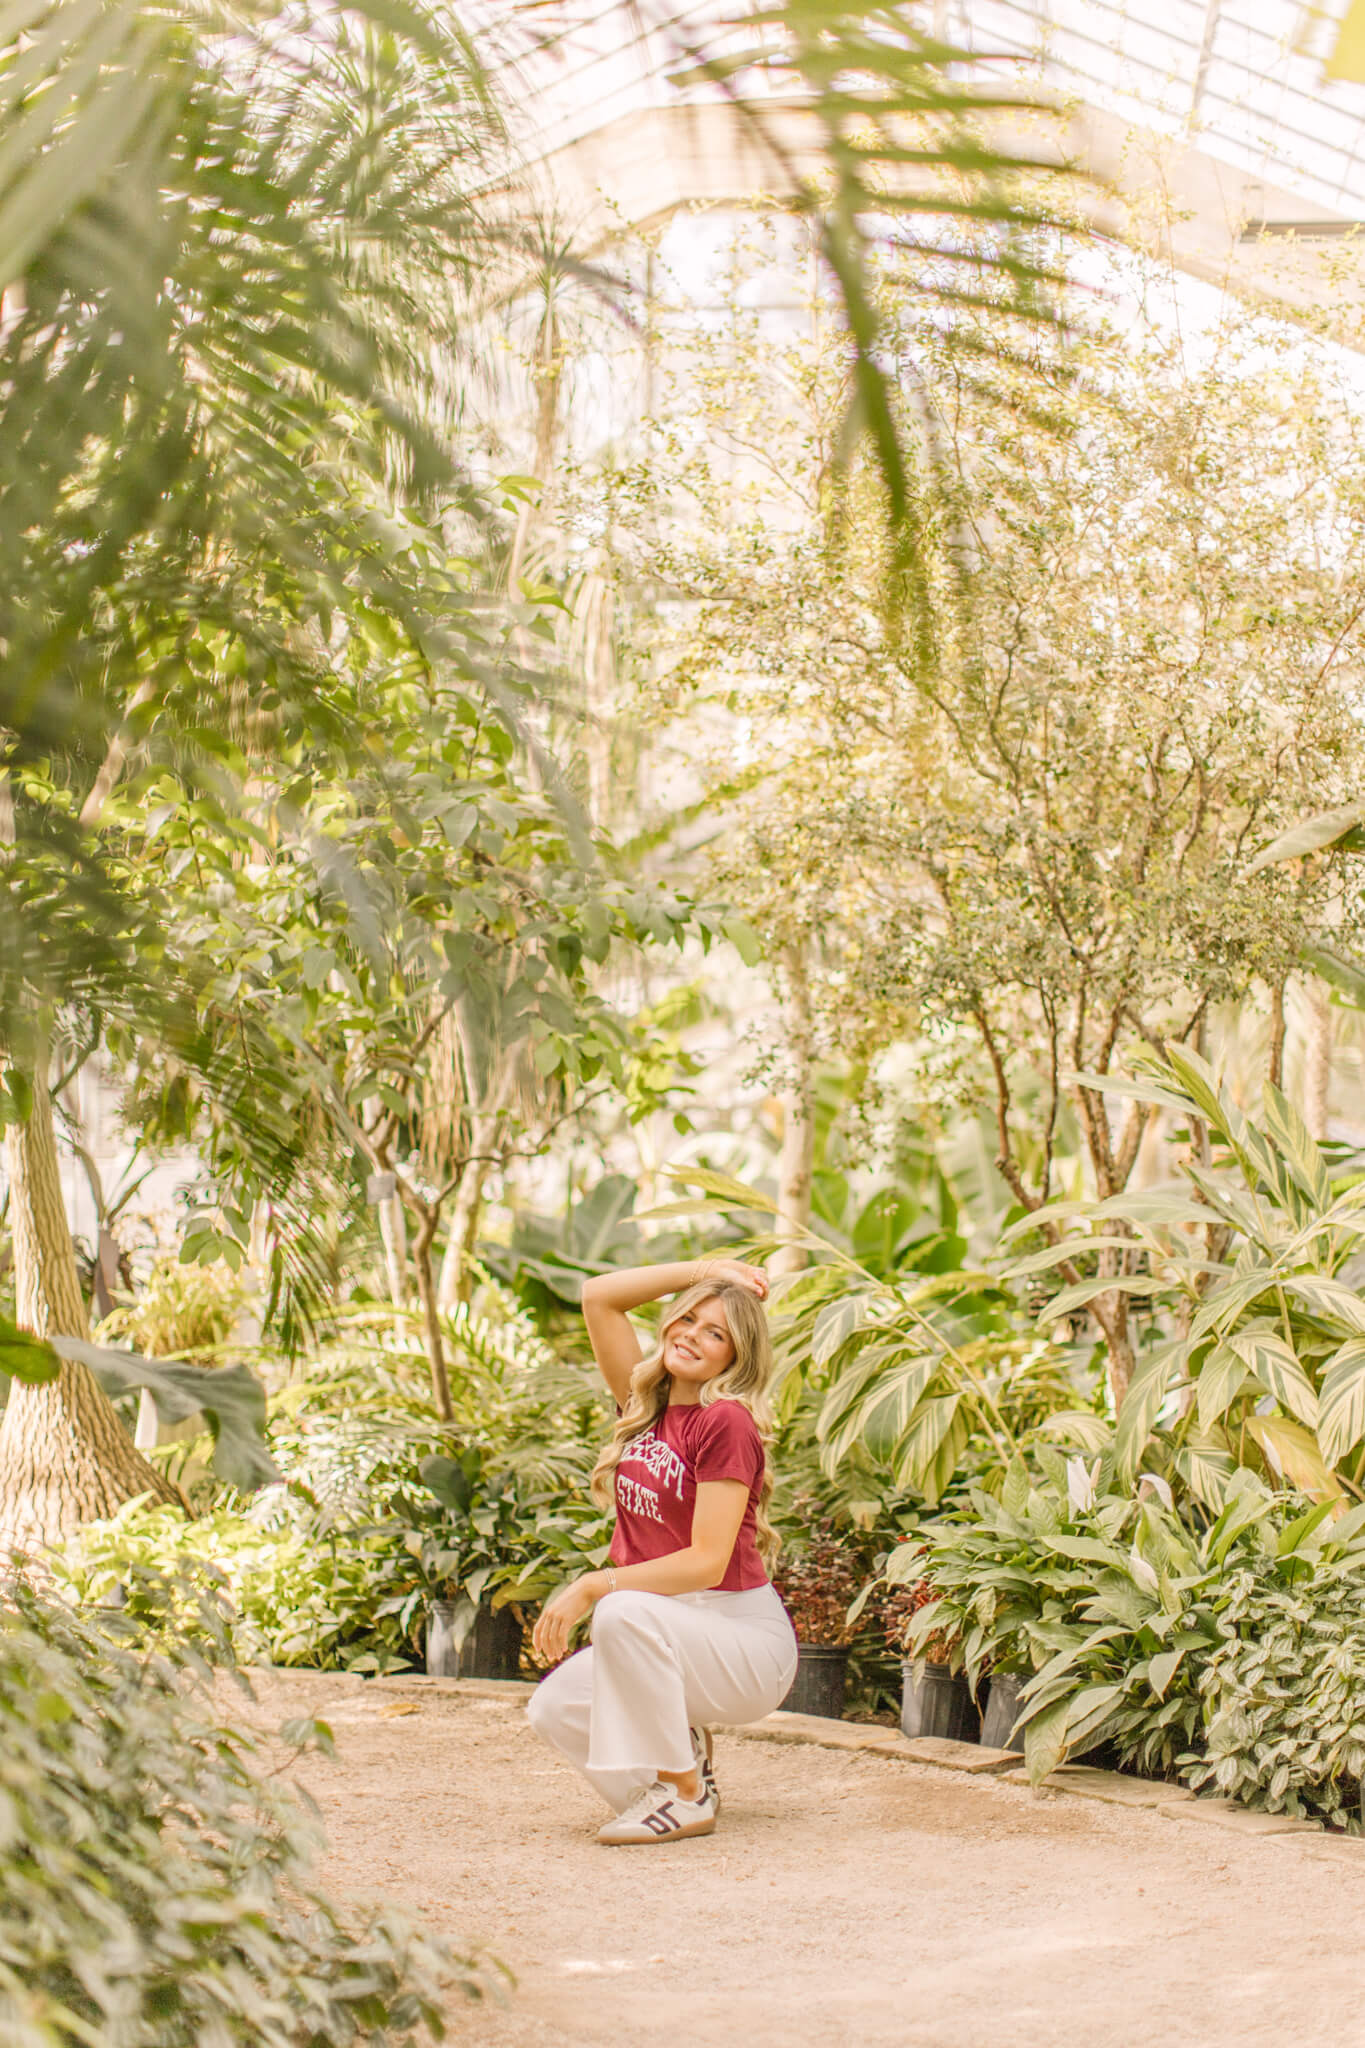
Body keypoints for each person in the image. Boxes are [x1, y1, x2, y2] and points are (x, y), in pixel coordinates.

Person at [526, 1257, 798, 1845]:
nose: (692, 1336)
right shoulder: (643, 1405)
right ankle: (671, 1780)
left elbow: (706, 1561)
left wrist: (595, 1583)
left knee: (620, 1608)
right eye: (688, 1318)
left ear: (736, 1357)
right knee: (556, 1710)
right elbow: (599, 1296)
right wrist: (706, 1269)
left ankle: (686, 1794)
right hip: (667, 1628)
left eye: (715, 1332)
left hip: (741, 1640)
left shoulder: (725, 1422)